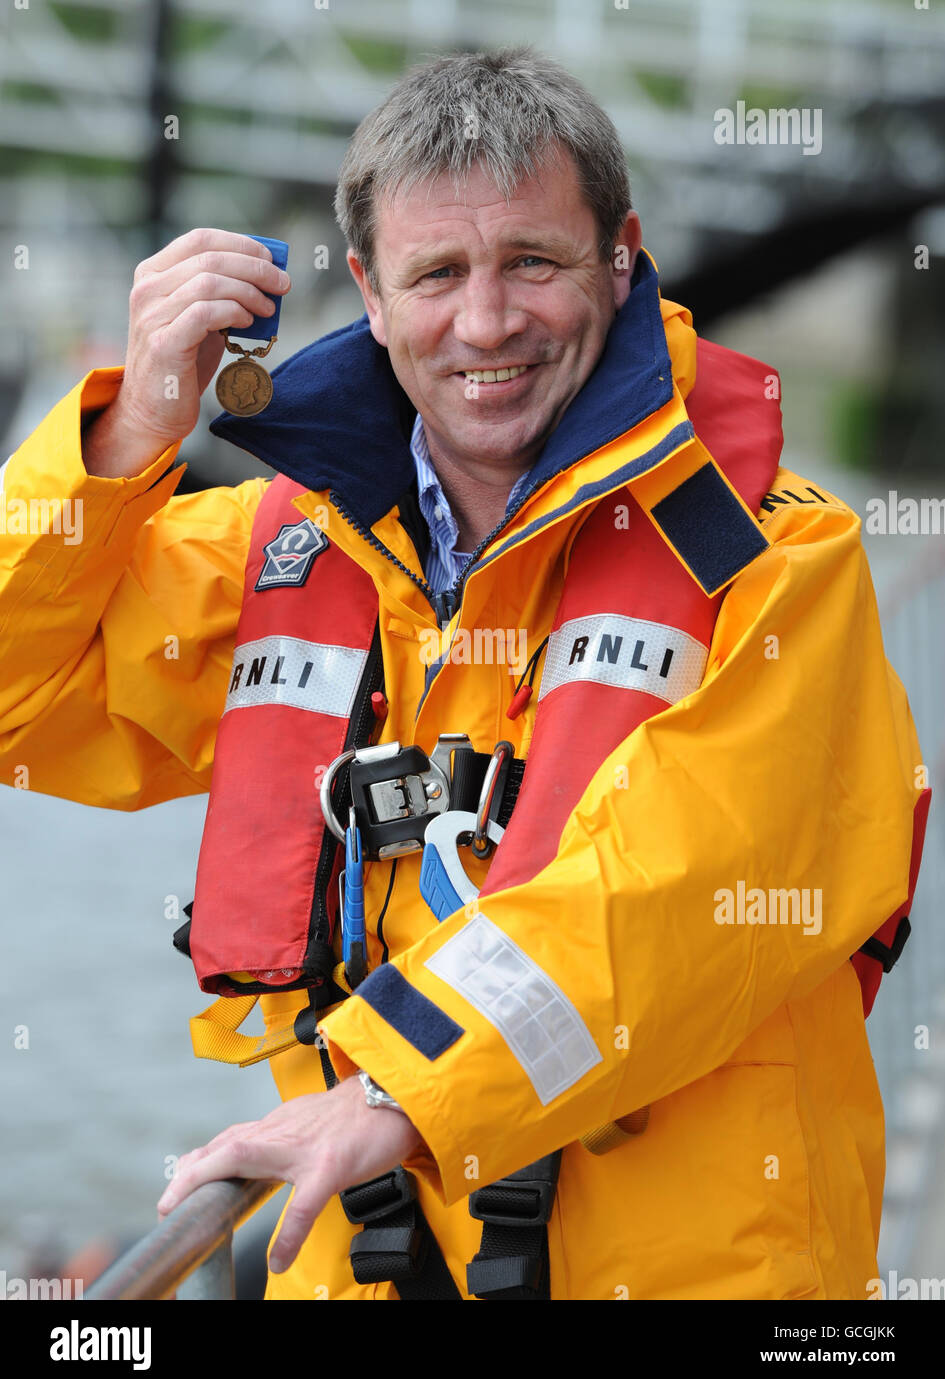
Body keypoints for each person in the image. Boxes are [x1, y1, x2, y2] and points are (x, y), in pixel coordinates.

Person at [0, 47, 929, 1301]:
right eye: (436, 273)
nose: (486, 322)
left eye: (532, 262)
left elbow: (682, 889)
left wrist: (398, 1088)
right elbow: (21, 695)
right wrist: (127, 439)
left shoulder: (777, 556)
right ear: (373, 297)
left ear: (621, 255)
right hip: (361, 1264)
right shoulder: (276, 554)